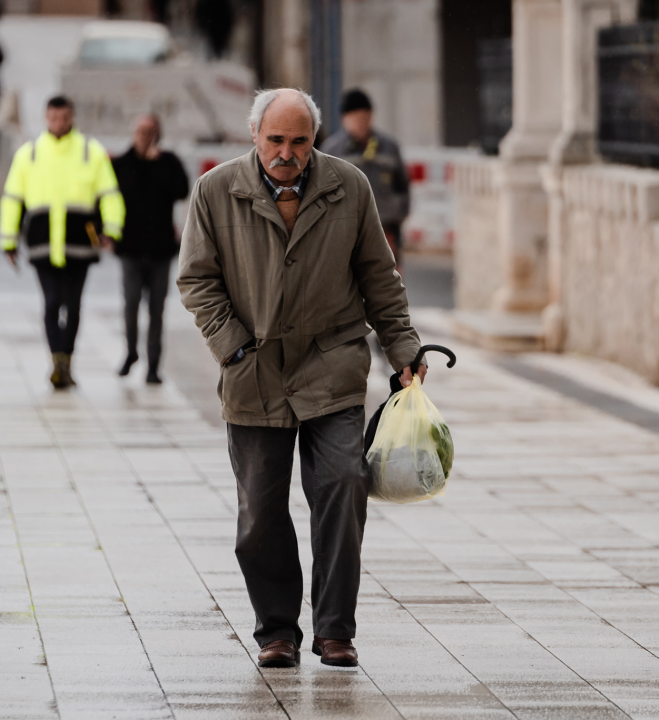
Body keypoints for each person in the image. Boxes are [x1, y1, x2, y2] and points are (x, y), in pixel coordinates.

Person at [177, 88, 426, 668]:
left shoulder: (349, 187)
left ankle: (335, 628)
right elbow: (196, 279)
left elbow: (379, 277)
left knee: (342, 484)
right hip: (254, 372)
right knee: (260, 513)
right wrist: (233, 347)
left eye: (299, 141)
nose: (287, 153)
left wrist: (403, 348)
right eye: (276, 141)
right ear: (255, 137)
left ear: (314, 140)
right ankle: (277, 632)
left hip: (331, 363)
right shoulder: (216, 191)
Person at [0, 96, 125, 389]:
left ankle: (66, 359)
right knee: (52, 302)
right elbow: (12, 199)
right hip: (42, 243)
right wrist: (8, 241)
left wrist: (111, 229)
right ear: (46, 118)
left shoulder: (90, 152)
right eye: (54, 118)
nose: (60, 123)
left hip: (79, 243)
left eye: (65, 117)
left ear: (72, 117)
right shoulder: (28, 154)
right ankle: (58, 361)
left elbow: (109, 194)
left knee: (73, 304)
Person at [111, 114, 189, 384]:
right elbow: (116, 194)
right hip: (130, 248)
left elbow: (181, 190)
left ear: (158, 134)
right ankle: (131, 352)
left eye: (150, 132)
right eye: (140, 131)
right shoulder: (122, 163)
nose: (144, 137)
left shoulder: (168, 162)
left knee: (157, 310)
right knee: (131, 303)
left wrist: (156, 163)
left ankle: (153, 366)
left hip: (160, 249)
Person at [320, 89, 411, 273]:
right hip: (345, 232)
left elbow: (403, 185)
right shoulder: (331, 151)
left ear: (371, 116)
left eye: (364, 118)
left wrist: (397, 211)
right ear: (344, 119)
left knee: (387, 282)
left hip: (385, 229)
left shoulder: (389, 147)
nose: (360, 124)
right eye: (355, 119)